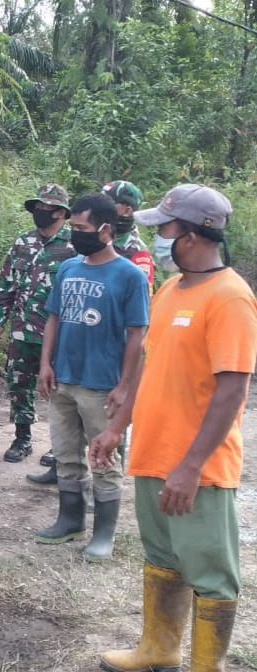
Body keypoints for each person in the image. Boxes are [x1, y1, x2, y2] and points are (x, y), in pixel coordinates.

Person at [90, 184, 257, 672]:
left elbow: (232, 391)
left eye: (163, 228)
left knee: (210, 572)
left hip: (197, 470)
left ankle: (207, 666)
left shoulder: (230, 298)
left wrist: (191, 466)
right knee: (162, 557)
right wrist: (116, 427)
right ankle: (159, 649)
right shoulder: (170, 289)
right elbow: (150, 366)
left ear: (190, 235)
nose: (156, 238)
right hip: (153, 454)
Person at [35, 194, 149, 561]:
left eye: (81, 228)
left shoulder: (130, 275)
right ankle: (70, 520)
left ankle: (103, 534)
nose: (75, 234)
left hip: (102, 385)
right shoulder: (69, 268)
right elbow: (53, 318)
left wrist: (124, 385)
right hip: (63, 379)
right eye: (72, 228)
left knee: (103, 459)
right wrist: (45, 364)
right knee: (66, 454)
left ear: (105, 230)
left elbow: (137, 337)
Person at [0, 183, 75, 471]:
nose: (39, 212)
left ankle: (59, 444)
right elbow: (7, 282)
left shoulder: (74, 247)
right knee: (18, 383)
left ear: (61, 212)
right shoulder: (23, 242)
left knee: (60, 390)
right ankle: (22, 438)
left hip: (58, 333)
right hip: (22, 328)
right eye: (37, 207)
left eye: (45, 207)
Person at [100, 180, 155, 294]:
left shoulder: (138, 252)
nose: (101, 208)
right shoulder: (90, 237)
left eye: (108, 203)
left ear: (127, 210)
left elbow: (142, 297)